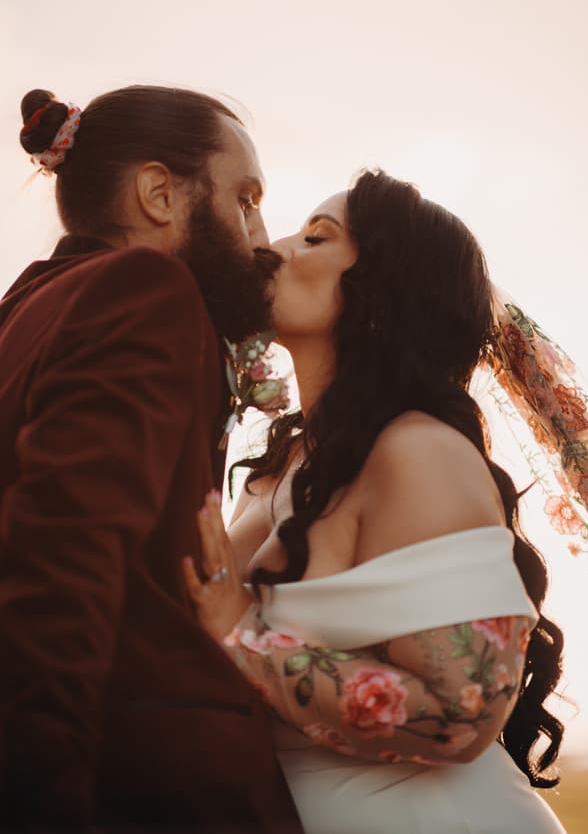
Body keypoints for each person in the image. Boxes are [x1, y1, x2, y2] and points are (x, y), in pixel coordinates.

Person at [184, 171, 568, 833]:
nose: (276, 245)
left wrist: (238, 632)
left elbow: (461, 714)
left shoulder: (417, 452)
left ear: (380, 294)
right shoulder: (283, 464)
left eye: (316, 237)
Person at [0, 86, 302, 833]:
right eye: (245, 199)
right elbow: (62, 567)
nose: (262, 236)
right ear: (160, 194)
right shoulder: (145, 291)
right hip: (148, 788)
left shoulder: (23, 308)